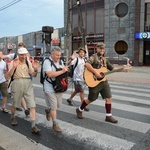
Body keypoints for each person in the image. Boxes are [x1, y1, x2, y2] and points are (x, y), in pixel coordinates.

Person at [76, 42, 131, 123]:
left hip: (103, 82)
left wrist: (123, 70)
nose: (102, 50)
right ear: (97, 48)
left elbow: (112, 69)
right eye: (100, 48)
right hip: (94, 81)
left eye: (103, 48)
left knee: (108, 98)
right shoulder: (93, 57)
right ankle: (80, 109)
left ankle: (108, 116)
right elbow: (87, 64)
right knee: (91, 99)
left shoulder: (104, 60)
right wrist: (95, 72)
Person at [7, 47, 40, 133]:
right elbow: (8, 76)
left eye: (25, 54)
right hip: (17, 82)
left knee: (32, 105)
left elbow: (34, 74)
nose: (24, 56)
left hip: (27, 82)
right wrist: (14, 67)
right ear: (18, 54)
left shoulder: (27, 62)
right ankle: (13, 117)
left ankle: (33, 126)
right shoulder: (13, 62)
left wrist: (36, 69)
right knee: (15, 104)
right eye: (22, 55)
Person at [42, 46, 68, 133]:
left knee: (58, 105)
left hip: (58, 87)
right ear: (52, 54)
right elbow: (49, 74)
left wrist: (67, 70)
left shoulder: (60, 61)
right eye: (57, 55)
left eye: (60, 55)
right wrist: (63, 71)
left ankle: (48, 110)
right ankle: (55, 124)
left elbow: (63, 70)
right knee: (54, 107)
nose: (59, 57)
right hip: (49, 87)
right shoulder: (47, 62)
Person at [1, 43, 30, 116]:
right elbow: (3, 56)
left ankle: (24, 107)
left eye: (22, 49)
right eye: (19, 48)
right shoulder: (13, 56)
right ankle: (24, 108)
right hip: (14, 78)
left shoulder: (26, 57)